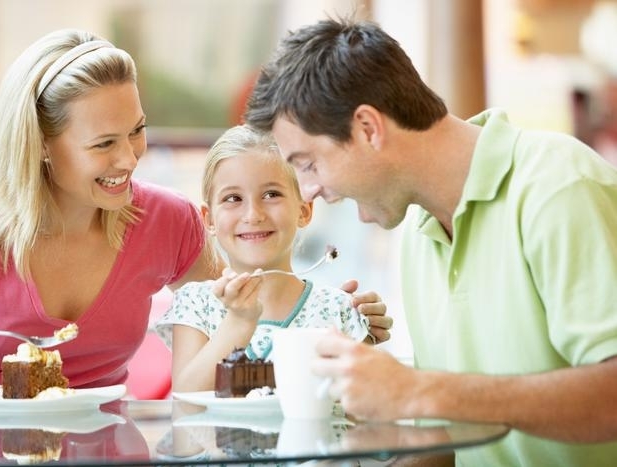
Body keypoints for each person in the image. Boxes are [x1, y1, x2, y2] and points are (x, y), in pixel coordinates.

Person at [0, 28, 387, 391]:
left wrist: (330, 314)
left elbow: (236, 321)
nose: (129, 159)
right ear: (40, 143)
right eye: (104, 144)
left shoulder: (168, 220)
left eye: (136, 131)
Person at [244, 16, 617, 467]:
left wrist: (418, 390)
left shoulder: (558, 186)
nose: (308, 192)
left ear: (367, 128)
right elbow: (448, 441)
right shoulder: (419, 234)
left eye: (308, 164)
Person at [152, 125, 382, 392]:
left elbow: (360, 404)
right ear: (210, 219)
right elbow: (187, 401)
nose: (253, 215)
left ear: (304, 210)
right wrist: (239, 321)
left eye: (271, 195)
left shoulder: (338, 309)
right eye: (233, 198)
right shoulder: (196, 304)